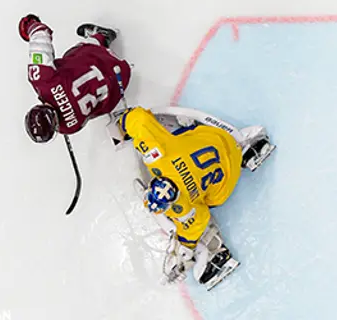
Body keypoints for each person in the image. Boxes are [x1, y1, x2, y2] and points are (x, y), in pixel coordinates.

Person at [122, 105, 276, 290]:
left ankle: (211, 249)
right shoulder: (160, 155)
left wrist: (185, 247)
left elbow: (198, 220)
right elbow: (138, 119)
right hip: (219, 139)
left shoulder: (181, 206)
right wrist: (127, 119)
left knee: (204, 208)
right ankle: (242, 145)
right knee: (177, 137)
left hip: (225, 184)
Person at [18, 14, 132, 143]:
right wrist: (31, 25)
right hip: (102, 59)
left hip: (121, 81)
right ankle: (100, 37)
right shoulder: (42, 79)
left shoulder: (69, 127)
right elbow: (40, 37)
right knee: (70, 60)